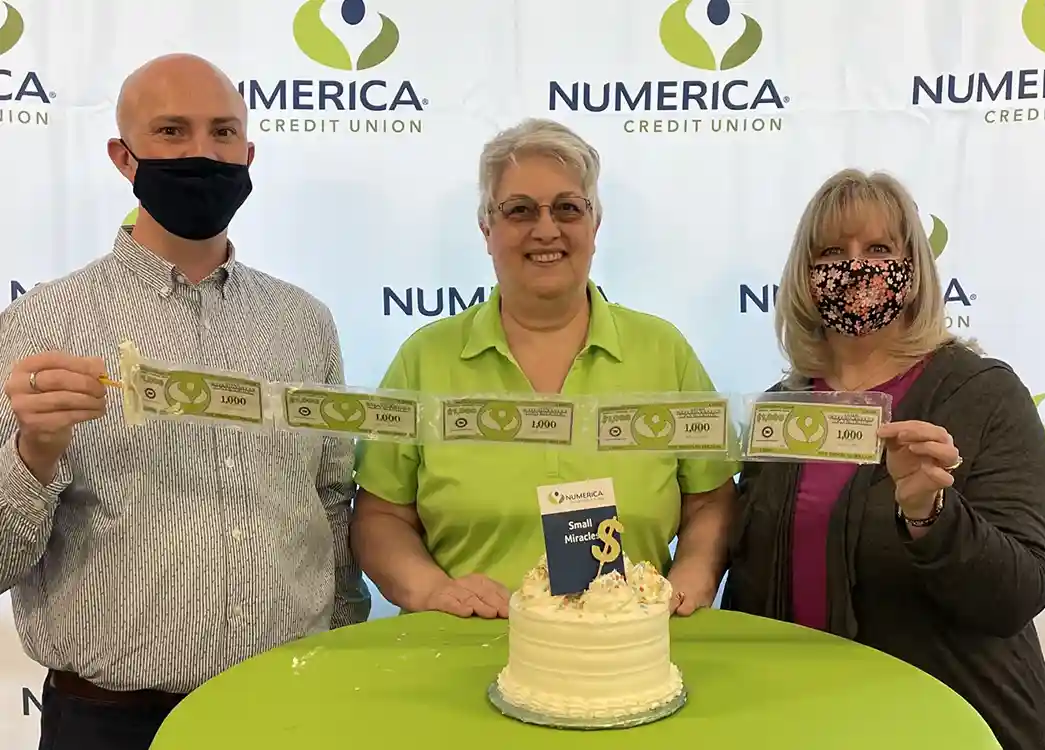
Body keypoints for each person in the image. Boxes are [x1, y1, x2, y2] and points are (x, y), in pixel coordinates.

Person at [0, 54, 368, 750]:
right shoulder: (38, 328)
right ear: (123, 156)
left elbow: (329, 501)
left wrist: (341, 655)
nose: (202, 152)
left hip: (286, 707)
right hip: (108, 724)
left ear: (249, 152)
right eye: (171, 131)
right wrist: (33, 453)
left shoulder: (304, 322)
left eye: (223, 133)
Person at [351, 118, 738, 619]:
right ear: (486, 229)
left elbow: (711, 500)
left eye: (568, 208)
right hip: (461, 647)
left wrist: (695, 574)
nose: (546, 229)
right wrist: (431, 591)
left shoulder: (664, 353)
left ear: (595, 225)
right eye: (519, 211)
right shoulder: (425, 359)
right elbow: (381, 514)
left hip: (629, 651)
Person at [723, 168, 1045, 749]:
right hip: (806, 721)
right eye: (832, 251)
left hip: (949, 724)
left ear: (913, 270)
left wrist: (931, 516)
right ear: (805, 276)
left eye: (878, 249)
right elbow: (754, 580)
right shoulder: (782, 409)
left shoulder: (983, 394)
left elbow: (1021, 591)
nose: (855, 266)